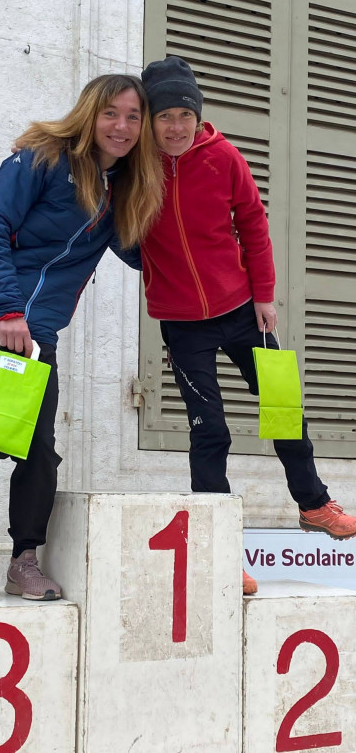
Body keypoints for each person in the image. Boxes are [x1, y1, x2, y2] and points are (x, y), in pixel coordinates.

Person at [0, 74, 163, 602]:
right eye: (111, 113)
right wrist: (7, 309)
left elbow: (145, 254)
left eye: (133, 117)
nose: (122, 126)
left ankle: (24, 560)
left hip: (36, 327)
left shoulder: (123, 188)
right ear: (90, 113)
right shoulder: (42, 159)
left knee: (38, 447)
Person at [139, 56, 356, 595]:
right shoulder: (135, 168)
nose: (176, 127)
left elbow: (253, 224)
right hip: (183, 324)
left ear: (198, 115)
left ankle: (313, 504)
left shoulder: (224, 157)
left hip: (242, 309)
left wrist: (264, 294)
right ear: (149, 120)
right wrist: (155, 272)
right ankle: (217, 552)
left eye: (185, 115)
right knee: (209, 430)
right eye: (164, 116)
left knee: (284, 407)